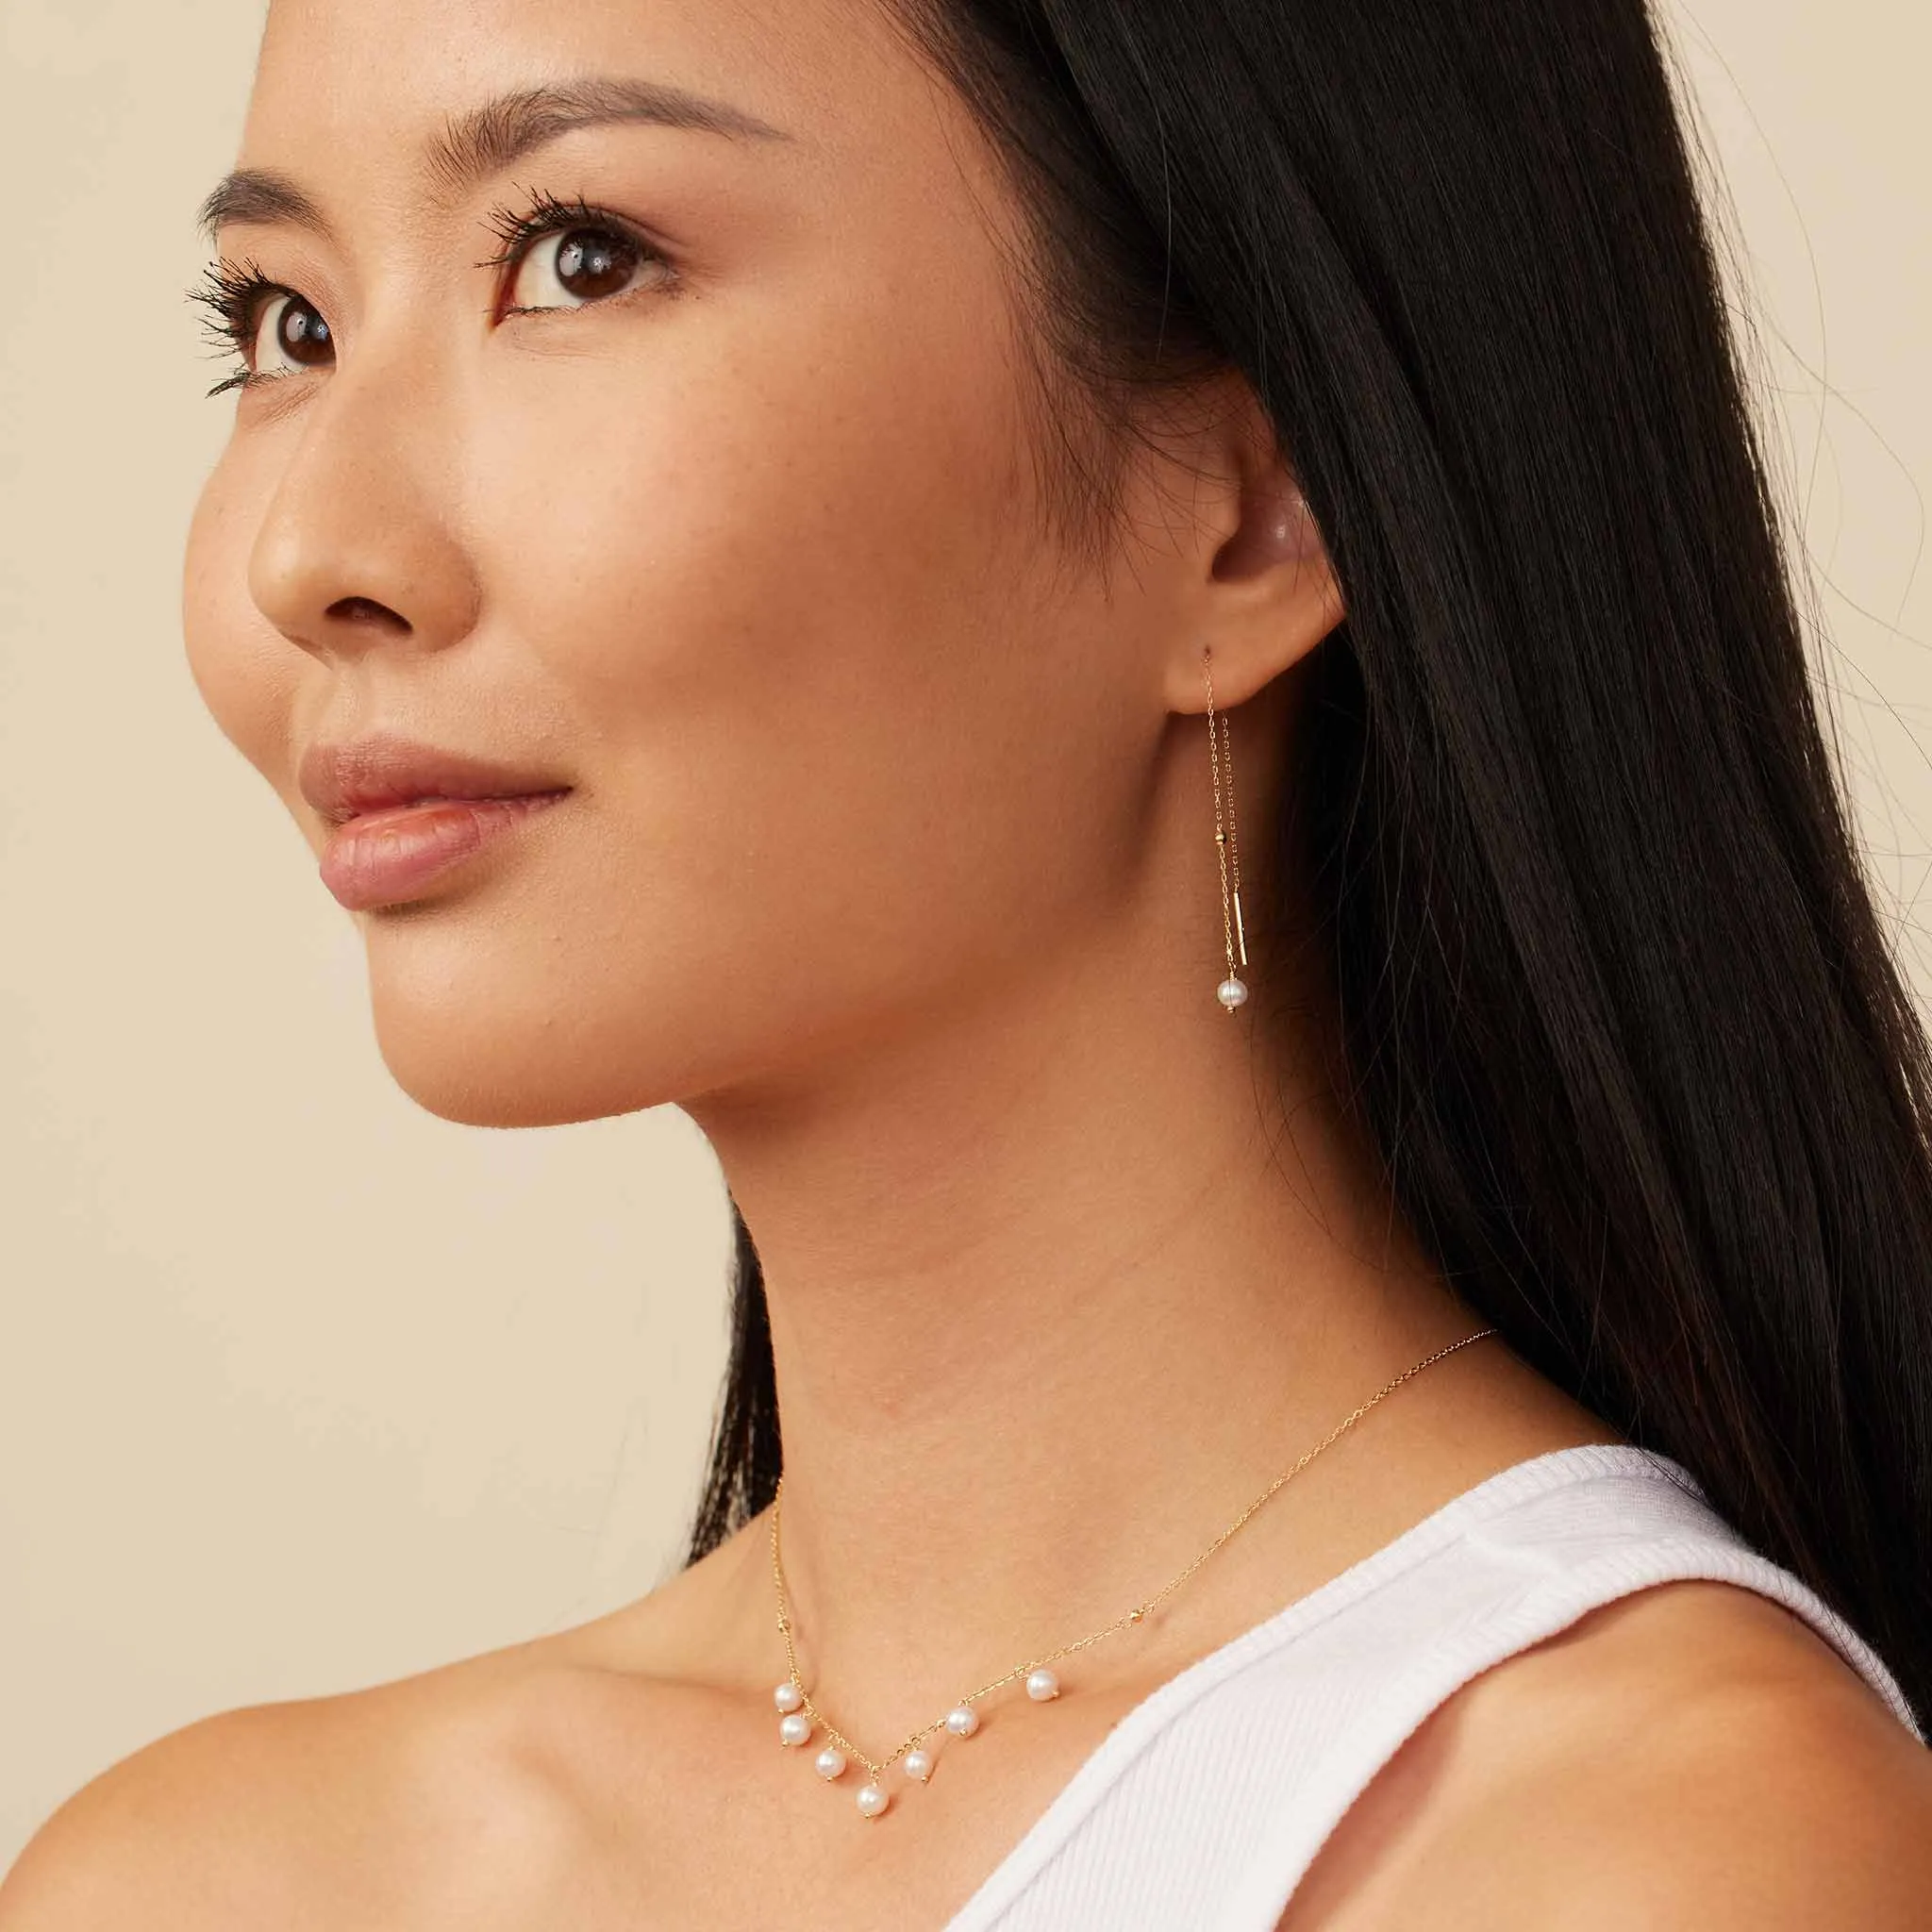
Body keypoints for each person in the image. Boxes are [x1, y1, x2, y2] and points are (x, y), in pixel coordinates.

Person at [4, 0, 1931, 1924]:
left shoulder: (1643, 1856)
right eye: (287, 324)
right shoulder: (205, 1880)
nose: (309, 556)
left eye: (581, 258)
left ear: (1250, 516)